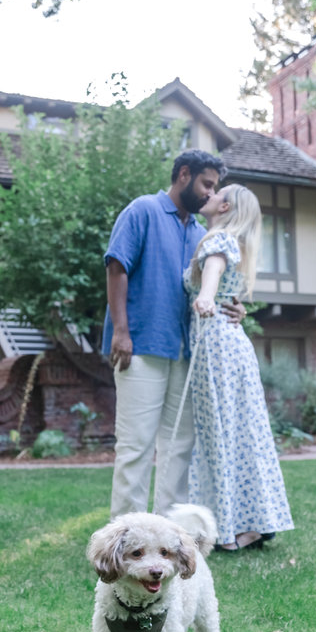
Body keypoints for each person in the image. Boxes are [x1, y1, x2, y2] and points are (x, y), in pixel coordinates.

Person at [103, 149, 240, 518]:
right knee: (136, 447)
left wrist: (234, 307)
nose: (212, 194)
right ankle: (126, 538)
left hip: (187, 353)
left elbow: (207, 287)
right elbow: (117, 267)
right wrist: (120, 331)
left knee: (179, 446)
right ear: (183, 175)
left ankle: (169, 538)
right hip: (141, 346)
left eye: (216, 188)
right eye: (206, 185)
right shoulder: (142, 210)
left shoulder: (200, 233)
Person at [184, 184, 294, 551]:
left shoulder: (221, 240)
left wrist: (204, 296)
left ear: (225, 205)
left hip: (216, 346)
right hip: (228, 345)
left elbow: (212, 273)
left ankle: (233, 528)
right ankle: (251, 523)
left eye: (215, 193)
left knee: (220, 433)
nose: (209, 195)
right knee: (237, 432)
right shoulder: (229, 241)